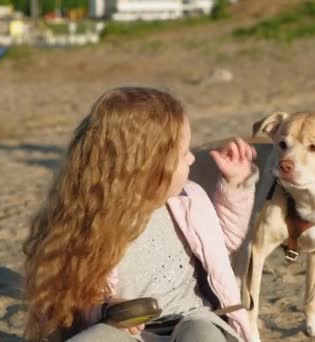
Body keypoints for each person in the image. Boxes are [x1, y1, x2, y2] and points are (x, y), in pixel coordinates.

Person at [23, 87, 258, 342]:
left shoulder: (188, 199)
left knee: (203, 336)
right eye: (183, 153)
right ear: (147, 164)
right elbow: (74, 291)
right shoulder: (91, 218)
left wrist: (234, 186)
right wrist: (108, 306)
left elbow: (223, 243)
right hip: (127, 330)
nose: (192, 159)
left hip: (192, 318)